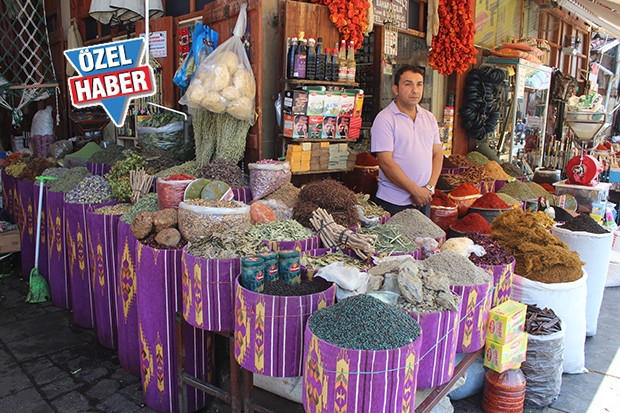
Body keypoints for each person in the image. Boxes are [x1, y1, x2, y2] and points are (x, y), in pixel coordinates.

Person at [370, 64, 443, 217]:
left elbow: (437, 154)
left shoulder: (429, 118)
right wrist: (415, 190)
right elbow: (385, 162)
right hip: (393, 202)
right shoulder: (384, 119)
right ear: (395, 89)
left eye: (419, 84)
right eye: (408, 84)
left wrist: (429, 188)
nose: (415, 90)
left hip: (424, 199)